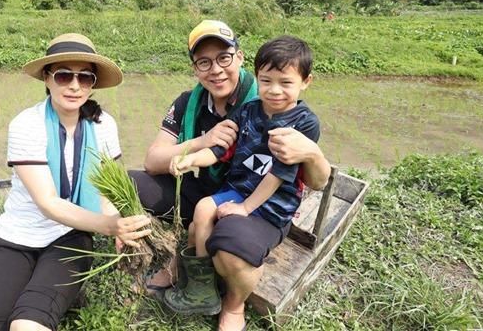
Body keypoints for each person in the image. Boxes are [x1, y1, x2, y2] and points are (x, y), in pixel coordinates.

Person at [128, 20, 331, 331]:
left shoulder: (266, 105)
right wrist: (198, 146)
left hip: (256, 200)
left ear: (239, 57)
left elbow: (305, 177)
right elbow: (157, 159)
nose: (216, 69)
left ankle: (231, 305)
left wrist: (246, 207)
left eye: (224, 57)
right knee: (151, 191)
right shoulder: (194, 103)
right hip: (213, 189)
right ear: (195, 67)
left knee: (225, 242)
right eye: (204, 62)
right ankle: (195, 281)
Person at [0, 33, 151, 331]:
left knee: (27, 326)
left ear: (93, 83)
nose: (74, 86)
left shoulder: (103, 125)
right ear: (47, 78)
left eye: (84, 78)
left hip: (70, 236)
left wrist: (115, 223)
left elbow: (107, 188)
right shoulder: (27, 124)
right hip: (17, 237)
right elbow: (47, 201)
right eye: (63, 76)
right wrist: (108, 225)